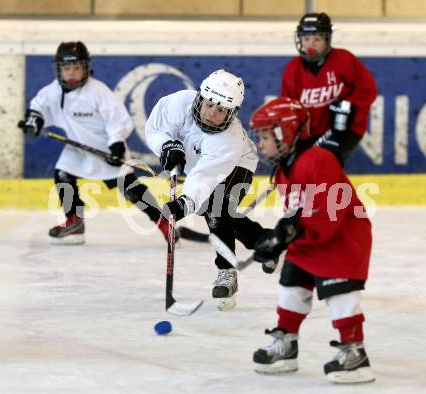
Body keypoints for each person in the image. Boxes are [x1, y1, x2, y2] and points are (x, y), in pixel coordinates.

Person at [249, 97, 375, 384]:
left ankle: (355, 353)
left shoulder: (318, 159)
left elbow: (331, 211)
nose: (262, 144)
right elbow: (296, 213)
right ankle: (286, 344)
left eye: (267, 136)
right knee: (291, 284)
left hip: (342, 238)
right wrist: (277, 241)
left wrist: (289, 232)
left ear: (286, 133)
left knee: (339, 293)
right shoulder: (284, 169)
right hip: (311, 236)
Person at [18, 41, 168, 245]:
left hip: (106, 149)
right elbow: (39, 107)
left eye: (77, 67)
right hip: (78, 149)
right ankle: (74, 222)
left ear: (86, 67)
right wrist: (34, 120)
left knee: (131, 188)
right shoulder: (54, 91)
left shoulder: (98, 91)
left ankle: (164, 224)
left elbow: (118, 119)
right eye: (67, 68)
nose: (72, 73)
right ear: (59, 69)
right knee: (62, 174)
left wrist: (116, 144)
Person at [145, 69, 266, 311]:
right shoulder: (177, 102)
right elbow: (155, 129)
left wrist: (184, 204)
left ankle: (226, 272)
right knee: (216, 211)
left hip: (239, 164)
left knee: (218, 209)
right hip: (199, 165)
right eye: (210, 105)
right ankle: (265, 242)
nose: (213, 114)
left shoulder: (227, 141)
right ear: (199, 98)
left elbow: (204, 178)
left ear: (232, 113)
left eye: (221, 110)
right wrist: (166, 146)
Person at [281, 12, 377, 164]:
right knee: (297, 167)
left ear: (327, 40)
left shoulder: (344, 60)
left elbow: (367, 89)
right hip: (310, 133)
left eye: (317, 39)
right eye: (306, 39)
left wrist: (349, 105)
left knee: (324, 162)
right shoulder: (292, 70)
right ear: (299, 39)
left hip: (345, 130)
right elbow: (289, 107)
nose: (310, 44)